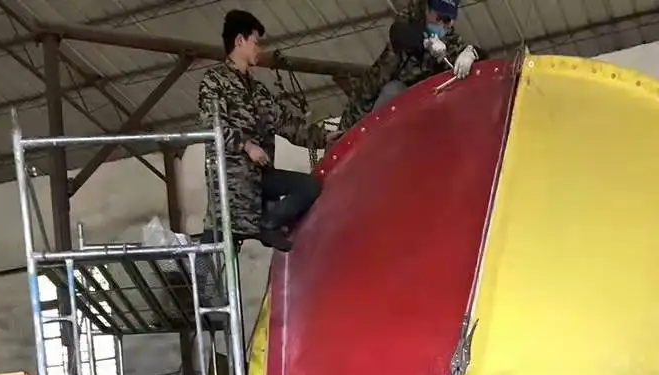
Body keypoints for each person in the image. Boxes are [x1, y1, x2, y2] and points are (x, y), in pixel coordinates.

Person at [199, 10, 327, 253]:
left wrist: (323, 138)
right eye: (255, 42)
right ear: (240, 41)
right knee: (213, 249)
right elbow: (212, 126)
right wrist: (247, 146)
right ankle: (196, 269)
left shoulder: (257, 90)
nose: (259, 49)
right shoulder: (215, 81)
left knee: (309, 186)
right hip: (233, 182)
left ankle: (269, 222)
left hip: (260, 176)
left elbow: (284, 122)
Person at [337, 0, 478, 134]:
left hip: (413, 119)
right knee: (394, 90)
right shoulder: (408, 22)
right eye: (440, 17)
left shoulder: (447, 38)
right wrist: (427, 43)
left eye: (448, 21)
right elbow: (400, 33)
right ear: (427, 10)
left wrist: (470, 52)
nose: (443, 24)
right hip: (371, 105)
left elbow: (472, 60)